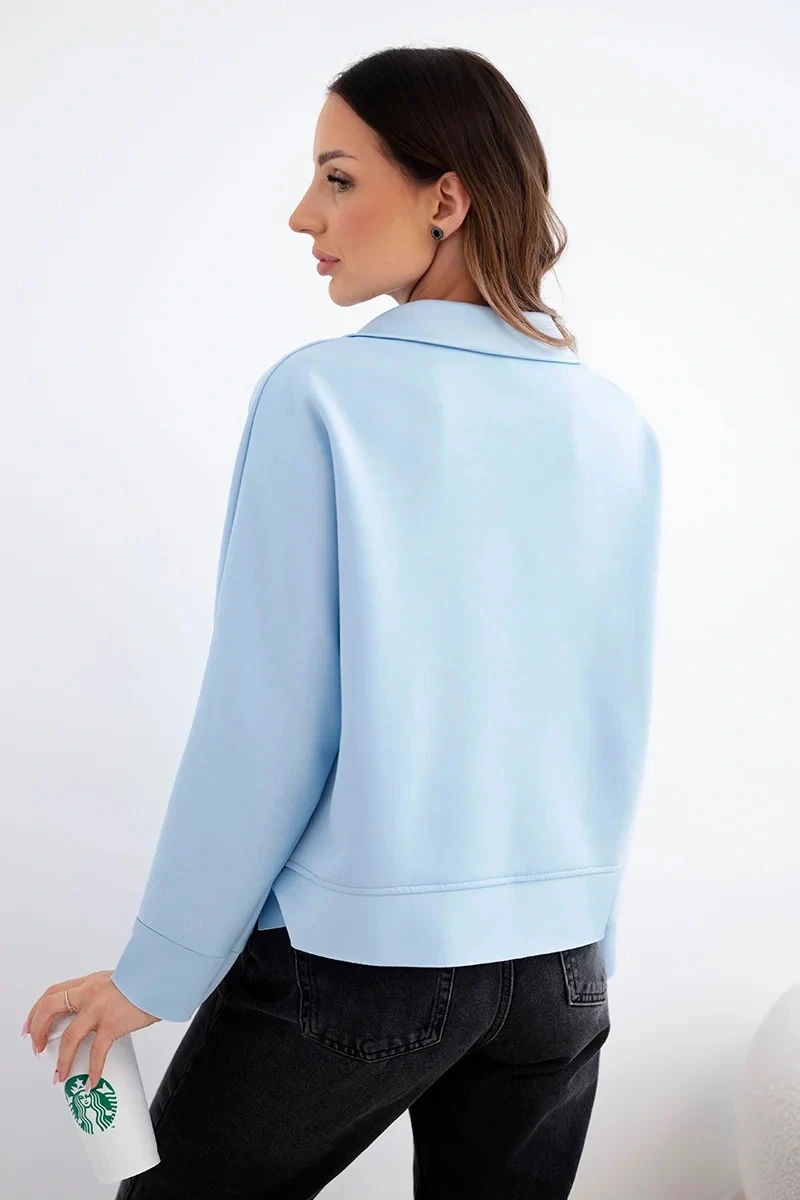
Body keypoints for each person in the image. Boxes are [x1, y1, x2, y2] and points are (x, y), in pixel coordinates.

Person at [23, 45, 662, 1199]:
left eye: (337, 178)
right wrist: (585, 937)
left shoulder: (320, 395)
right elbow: (604, 708)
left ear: (445, 199)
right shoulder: (609, 421)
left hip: (367, 964)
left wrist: (158, 969)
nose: (302, 215)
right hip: (559, 968)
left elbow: (267, 716)